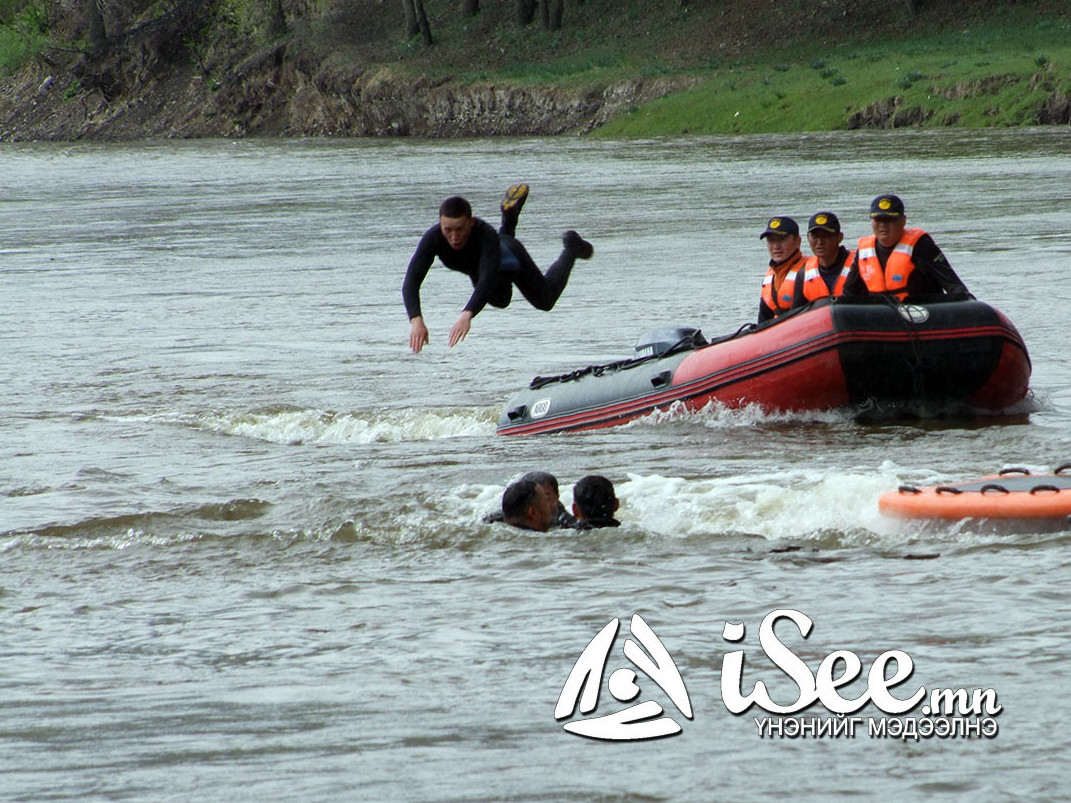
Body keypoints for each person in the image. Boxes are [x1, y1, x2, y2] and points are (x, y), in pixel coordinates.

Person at [402, 185, 594, 354]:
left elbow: (487, 278)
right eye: (448, 229)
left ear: (472, 221)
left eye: (459, 229)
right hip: (483, 265)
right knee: (500, 300)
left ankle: (570, 249)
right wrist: (416, 320)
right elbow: (411, 282)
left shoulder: (485, 235)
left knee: (544, 300)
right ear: (440, 224)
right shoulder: (433, 238)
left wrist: (466, 314)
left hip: (509, 258)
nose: (454, 236)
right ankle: (509, 218)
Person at [841, 194, 971, 301]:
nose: (883, 225)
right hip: (880, 320)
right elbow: (849, 294)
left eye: (889, 220)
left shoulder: (921, 246)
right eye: (878, 220)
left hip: (924, 317)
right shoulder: (864, 251)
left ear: (903, 221)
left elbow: (954, 286)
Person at [789, 212, 855, 309]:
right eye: (815, 236)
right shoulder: (804, 274)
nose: (820, 242)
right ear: (808, 238)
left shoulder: (857, 265)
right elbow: (797, 315)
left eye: (826, 236)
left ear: (840, 237)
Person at [484, 470, 579, 528]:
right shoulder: (514, 511)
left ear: (557, 497)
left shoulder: (564, 519)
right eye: (536, 496)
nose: (539, 500)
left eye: (546, 496)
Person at [757, 216, 807, 324]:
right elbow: (762, 321)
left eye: (782, 240)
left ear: (797, 241)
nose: (776, 246)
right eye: (771, 241)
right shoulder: (768, 279)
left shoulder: (810, 271)